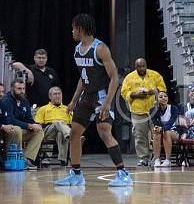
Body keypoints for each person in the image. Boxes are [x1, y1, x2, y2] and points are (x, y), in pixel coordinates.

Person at [55, 13, 132, 187]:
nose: (72, 31)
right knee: (74, 134)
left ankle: (123, 174)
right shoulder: (77, 50)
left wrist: (107, 103)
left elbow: (114, 78)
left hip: (102, 95)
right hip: (86, 96)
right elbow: (83, 77)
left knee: (104, 132)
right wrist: (74, 100)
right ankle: (76, 174)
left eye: (74, 27)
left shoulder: (100, 48)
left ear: (81, 28)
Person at [120, 58, 167, 166]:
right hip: (138, 111)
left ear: (146, 65)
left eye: (143, 66)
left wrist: (154, 92)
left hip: (154, 110)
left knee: (157, 133)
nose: (141, 68)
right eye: (139, 66)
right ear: (135, 67)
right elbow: (124, 92)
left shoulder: (155, 75)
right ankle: (144, 158)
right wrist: (135, 95)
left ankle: (157, 157)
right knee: (139, 135)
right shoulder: (129, 77)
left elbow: (163, 89)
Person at [0, 80, 44, 170]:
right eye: (19, 89)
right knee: (16, 129)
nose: (22, 91)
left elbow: (29, 119)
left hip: (20, 131)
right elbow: (10, 120)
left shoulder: (25, 101)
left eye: (23, 88)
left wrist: (35, 125)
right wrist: (29, 126)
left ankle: (26, 159)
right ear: (12, 89)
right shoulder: (6, 100)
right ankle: (13, 159)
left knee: (39, 132)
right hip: (7, 131)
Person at [34, 86, 72, 165]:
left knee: (60, 133)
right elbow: (38, 125)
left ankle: (62, 160)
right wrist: (56, 123)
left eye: (59, 94)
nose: (58, 96)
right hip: (47, 130)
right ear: (50, 96)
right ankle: (72, 137)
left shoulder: (67, 109)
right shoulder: (43, 109)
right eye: (55, 94)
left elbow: (72, 124)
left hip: (62, 131)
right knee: (58, 122)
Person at [151, 91, 179, 168]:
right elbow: (155, 123)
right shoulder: (153, 110)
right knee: (156, 133)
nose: (164, 98)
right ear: (156, 100)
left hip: (174, 132)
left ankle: (167, 160)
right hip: (161, 132)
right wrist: (155, 109)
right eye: (161, 97)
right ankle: (157, 159)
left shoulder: (173, 108)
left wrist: (162, 128)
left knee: (166, 132)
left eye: (165, 96)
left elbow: (171, 122)